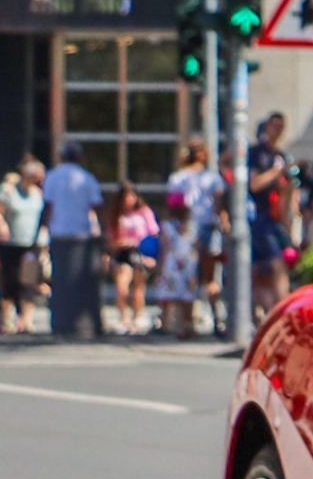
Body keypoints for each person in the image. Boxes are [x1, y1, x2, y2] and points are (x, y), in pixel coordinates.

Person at [44, 141, 106, 338]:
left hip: (60, 233)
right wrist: (104, 232)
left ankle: (62, 322)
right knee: (85, 284)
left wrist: (43, 229)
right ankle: (86, 323)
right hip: (82, 235)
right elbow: (97, 206)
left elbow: (48, 206)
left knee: (60, 281)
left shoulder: (52, 177)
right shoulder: (86, 178)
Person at [159, 140, 219, 339]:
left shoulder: (179, 178)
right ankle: (206, 320)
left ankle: (185, 322)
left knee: (188, 276)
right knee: (202, 277)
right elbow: (219, 206)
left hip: (189, 231)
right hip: (195, 230)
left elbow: (172, 207)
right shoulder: (210, 178)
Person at [248, 114, 297, 313]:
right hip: (258, 219)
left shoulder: (282, 156)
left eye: (281, 126)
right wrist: (277, 171)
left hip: (276, 219)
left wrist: (290, 225)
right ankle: (274, 313)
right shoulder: (257, 153)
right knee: (266, 270)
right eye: (275, 125)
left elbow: (286, 196)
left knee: (276, 269)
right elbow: (255, 184)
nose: (278, 130)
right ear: (267, 126)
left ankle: (277, 312)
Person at [0, 160, 45, 335]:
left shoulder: (37, 193)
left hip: (31, 244)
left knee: (29, 283)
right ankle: (5, 320)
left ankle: (26, 321)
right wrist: (1, 225)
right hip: (10, 243)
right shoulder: (8, 189)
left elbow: (43, 216)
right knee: (10, 282)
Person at [106, 183, 159, 335]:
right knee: (122, 285)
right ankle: (123, 318)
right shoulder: (117, 215)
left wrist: (151, 254)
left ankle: (137, 317)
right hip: (123, 252)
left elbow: (153, 234)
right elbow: (112, 238)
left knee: (138, 286)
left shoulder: (144, 212)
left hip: (141, 251)